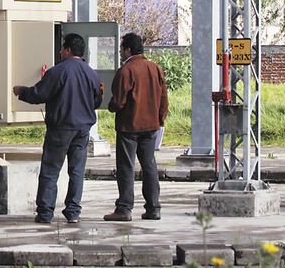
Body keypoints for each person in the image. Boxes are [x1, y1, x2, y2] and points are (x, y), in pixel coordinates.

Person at [12, 33, 103, 224]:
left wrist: (21, 91)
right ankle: (73, 212)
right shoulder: (91, 73)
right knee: (77, 171)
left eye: (62, 48)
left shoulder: (58, 71)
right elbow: (97, 100)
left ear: (68, 50)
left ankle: (45, 213)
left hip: (61, 128)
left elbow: (39, 94)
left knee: (51, 170)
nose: (60, 51)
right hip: (83, 129)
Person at [103, 32, 169, 222]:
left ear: (128, 49)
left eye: (121, 49)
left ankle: (124, 208)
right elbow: (164, 98)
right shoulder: (155, 68)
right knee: (149, 165)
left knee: (126, 167)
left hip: (129, 126)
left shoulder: (126, 70)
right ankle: (153, 208)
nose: (121, 52)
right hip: (151, 126)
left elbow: (119, 101)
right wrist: (160, 119)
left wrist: (111, 106)